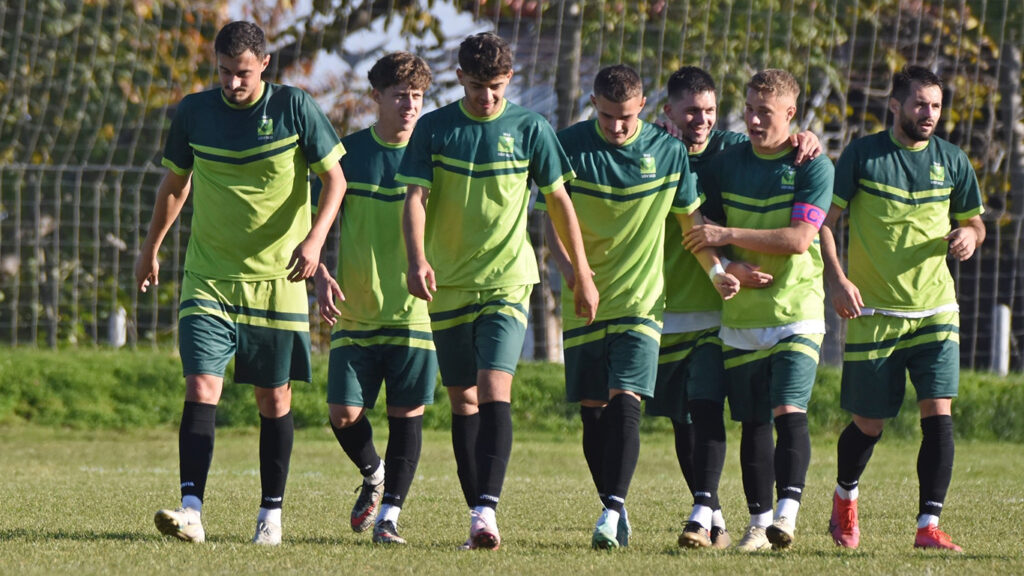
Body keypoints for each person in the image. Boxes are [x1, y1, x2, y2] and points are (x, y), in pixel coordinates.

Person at [135, 21, 346, 546]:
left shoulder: (294, 107)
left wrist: (315, 242)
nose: (232, 83)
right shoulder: (194, 112)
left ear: (265, 64)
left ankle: (270, 515)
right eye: (224, 72)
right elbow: (176, 184)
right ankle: (191, 511)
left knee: (273, 399)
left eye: (243, 73)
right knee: (201, 386)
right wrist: (150, 248)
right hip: (208, 277)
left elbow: (335, 180)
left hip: (278, 279)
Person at [396, 32, 599, 550]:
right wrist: (417, 260)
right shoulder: (435, 128)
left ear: (509, 79)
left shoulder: (531, 128)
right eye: (477, 86)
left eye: (497, 86)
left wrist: (581, 272)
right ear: (459, 78)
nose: (487, 97)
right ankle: (477, 513)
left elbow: (559, 202)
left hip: (509, 279)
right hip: (448, 283)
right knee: (462, 398)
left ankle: (487, 510)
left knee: (493, 387)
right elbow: (415, 198)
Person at [544, 64, 739, 550]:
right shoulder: (567, 146)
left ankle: (610, 513)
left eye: (627, 117)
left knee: (626, 401)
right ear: (593, 104)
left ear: (644, 108)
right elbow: (551, 219)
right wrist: (574, 275)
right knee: (593, 414)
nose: (617, 127)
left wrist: (718, 273)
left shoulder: (668, 153)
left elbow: (691, 224)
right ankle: (615, 504)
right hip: (585, 301)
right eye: (608, 116)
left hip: (641, 303)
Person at [655, 66, 821, 550]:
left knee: (766, 411)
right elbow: (695, 219)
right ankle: (721, 519)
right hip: (696, 310)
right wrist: (728, 263)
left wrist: (805, 137)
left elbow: (797, 237)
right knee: (699, 417)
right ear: (668, 112)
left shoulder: (755, 153)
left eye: (710, 110)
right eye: (748, 109)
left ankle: (767, 517)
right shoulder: (668, 151)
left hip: (755, 311)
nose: (703, 120)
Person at [821, 64, 985, 552]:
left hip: (936, 310)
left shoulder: (953, 160)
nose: (929, 113)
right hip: (875, 314)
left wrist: (969, 235)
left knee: (939, 414)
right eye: (919, 104)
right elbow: (826, 222)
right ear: (895, 105)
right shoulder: (862, 155)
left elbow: (976, 223)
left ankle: (928, 526)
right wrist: (837, 280)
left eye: (936, 105)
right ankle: (845, 497)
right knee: (869, 424)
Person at [312, 52, 435, 546]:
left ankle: (390, 518)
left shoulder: (433, 155)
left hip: (415, 312)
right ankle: (374, 473)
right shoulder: (348, 155)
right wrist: (320, 272)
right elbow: (315, 223)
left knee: (407, 416)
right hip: (355, 312)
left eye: (418, 96)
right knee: (342, 412)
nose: (410, 105)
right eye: (400, 95)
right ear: (377, 97)